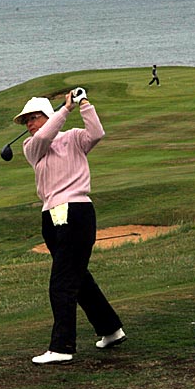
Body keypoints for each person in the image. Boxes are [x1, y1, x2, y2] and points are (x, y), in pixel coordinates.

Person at [13, 89, 126, 365]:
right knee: (79, 278)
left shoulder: (73, 137)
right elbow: (44, 137)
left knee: (62, 283)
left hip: (76, 212)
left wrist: (83, 103)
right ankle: (110, 329)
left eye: (34, 117)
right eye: (26, 120)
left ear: (47, 115)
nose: (29, 124)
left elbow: (96, 133)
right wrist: (64, 110)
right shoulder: (31, 147)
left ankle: (62, 346)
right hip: (50, 218)